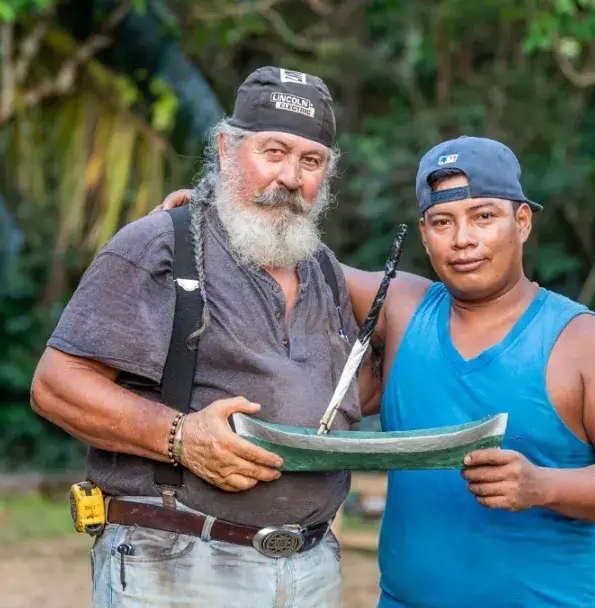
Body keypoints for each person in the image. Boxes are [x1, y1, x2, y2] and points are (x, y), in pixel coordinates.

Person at [161, 135, 595, 607]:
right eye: (443, 222)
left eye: (484, 216)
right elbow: (280, 257)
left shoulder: (587, 344)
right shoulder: (405, 309)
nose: (463, 240)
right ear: (425, 235)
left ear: (521, 222)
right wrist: (214, 217)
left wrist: (543, 487)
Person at [30, 66, 367, 608]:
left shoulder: (324, 269)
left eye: (311, 161)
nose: (289, 177)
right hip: (177, 564)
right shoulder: (159, 244)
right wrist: (181, 437)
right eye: (273, 152)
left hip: (310, 569)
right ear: (227, 148)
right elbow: (55, 385)